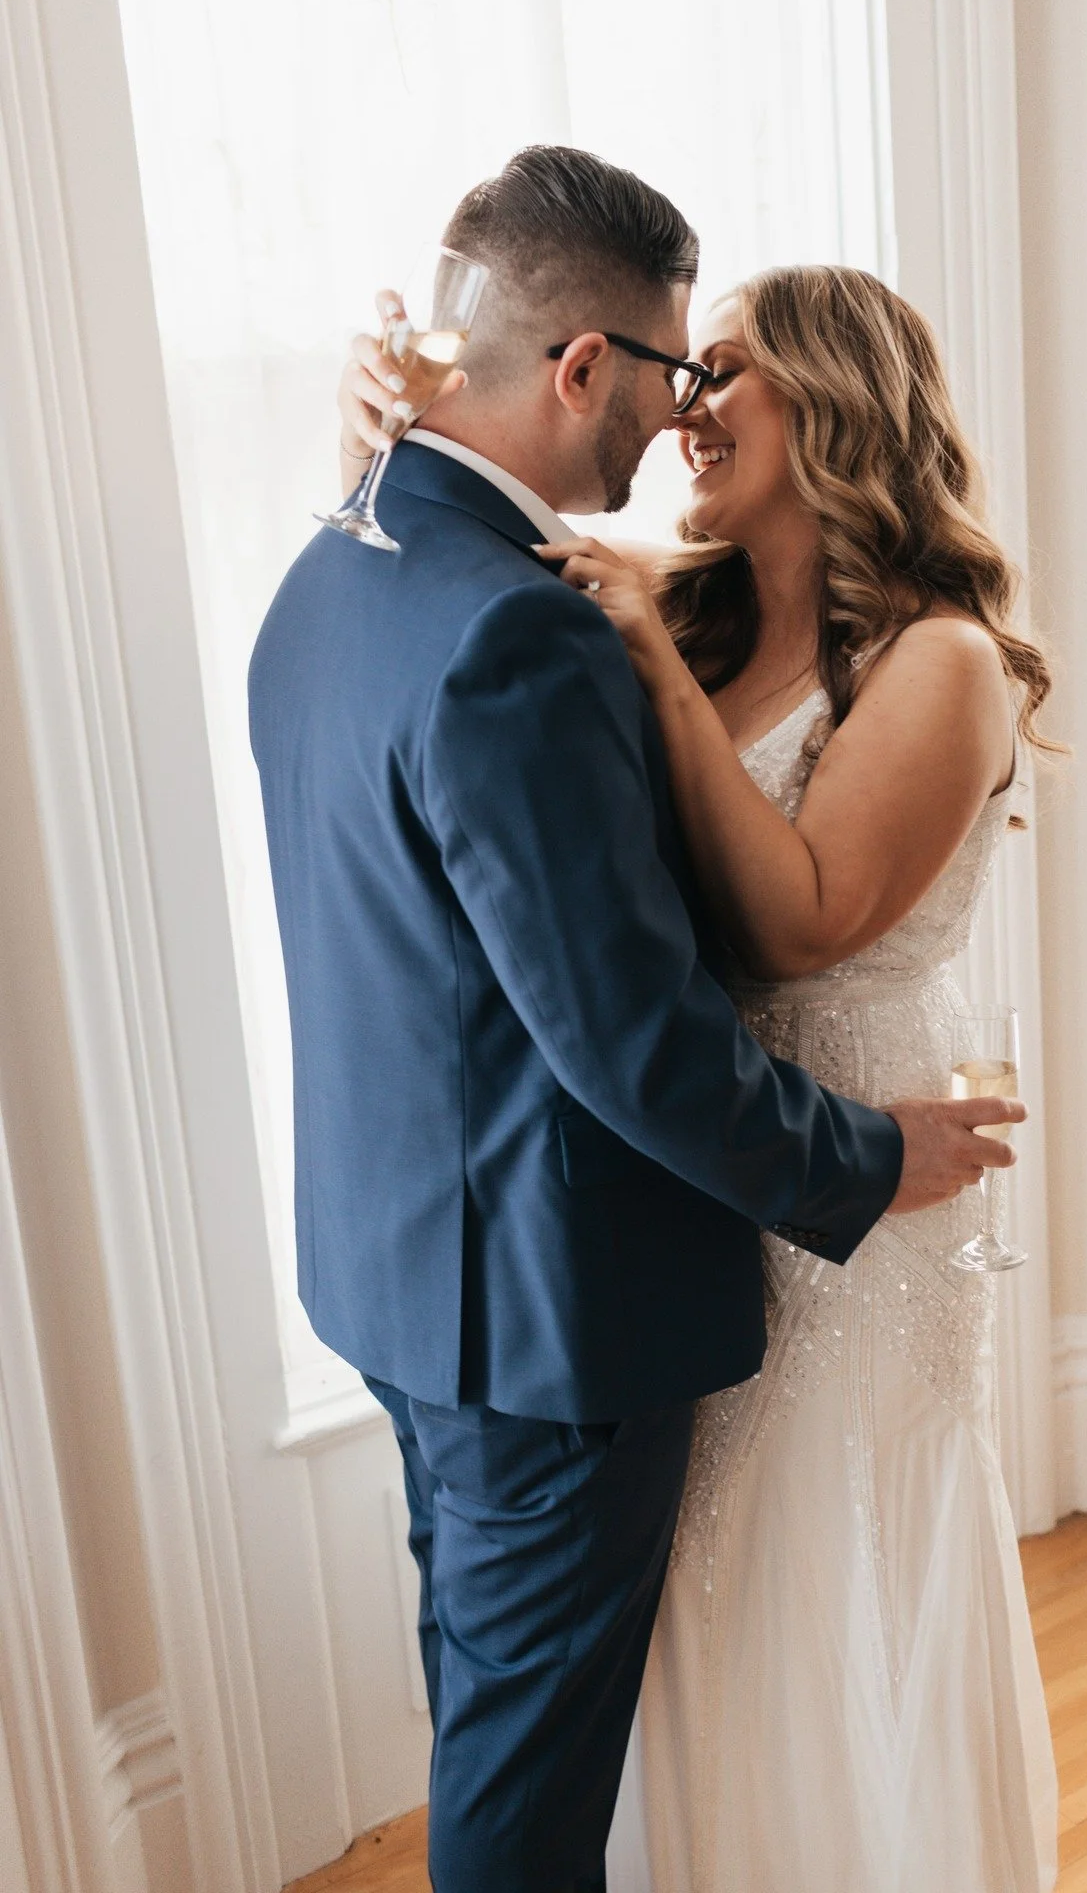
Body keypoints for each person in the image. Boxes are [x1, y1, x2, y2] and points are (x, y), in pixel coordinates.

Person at [254, 145, 1021, 1893]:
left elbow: (783, 923)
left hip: (560, 1257)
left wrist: (411, 436)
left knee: (773, 1633)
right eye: (682, 361)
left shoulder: (382, 581)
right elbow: (622, 1028)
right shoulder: (583, 613)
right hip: (605, 1259)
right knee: (548, 1760)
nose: (689, 406)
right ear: (588, 362)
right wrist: (849, 1160)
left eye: (727, 368)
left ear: (831, 408)